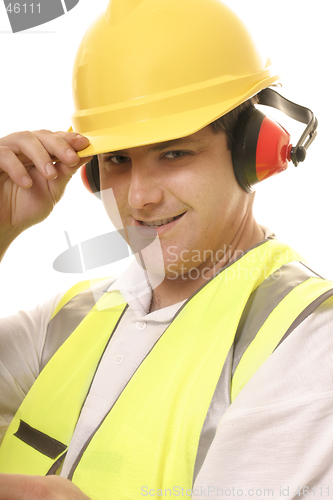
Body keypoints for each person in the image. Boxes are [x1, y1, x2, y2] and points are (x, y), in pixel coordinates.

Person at [0, 0, 333, 499]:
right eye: (116, 160)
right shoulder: (66, 321)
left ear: (254, 153)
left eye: (174, 152)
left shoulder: (307, 339)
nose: (139, 197)